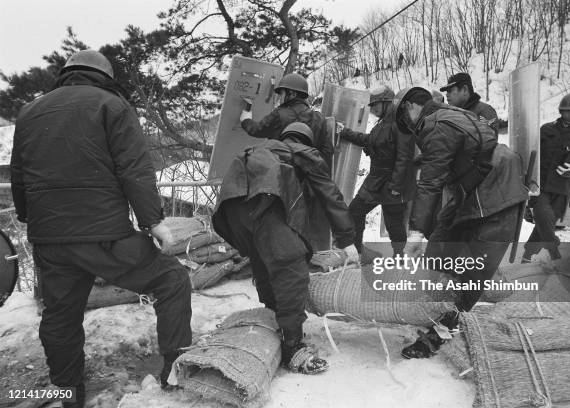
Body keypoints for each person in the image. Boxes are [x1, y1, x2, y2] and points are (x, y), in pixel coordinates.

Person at [10, 50, 193, 406]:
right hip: (104, 234)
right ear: (104, 76)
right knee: (171, 281)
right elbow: (133, 167)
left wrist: (30, 215)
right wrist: (153, 221)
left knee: (60, 316)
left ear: (66, 74)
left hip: (50, 237)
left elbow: (19, 172)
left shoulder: (30, 111)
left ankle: (69, 393)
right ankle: (173, 370)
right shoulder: (111, 104)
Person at [212, 122, 359, 374]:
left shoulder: (262, 148)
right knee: (290, 268)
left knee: (265, 263)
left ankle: (275, 317)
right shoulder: (305, 154)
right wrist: (347, 239)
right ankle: (292, 345)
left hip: (230, 214)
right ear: (307, 140)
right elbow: (330, 195)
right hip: (264, 204)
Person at [394, 87, 527, 358]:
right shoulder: (450, 114)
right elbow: (463, 149)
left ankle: (441, 332)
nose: (409, 128)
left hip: (500, 194)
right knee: (440, 248)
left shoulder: (434, 125)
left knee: (475, 270)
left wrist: (416, 233)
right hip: (474, 191)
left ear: (410, 107)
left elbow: (430, 182)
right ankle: (436, 305)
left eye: (405, 120)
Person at [337, 85, 416, 256]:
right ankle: (359, 252)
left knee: (393, 223)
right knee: (355, 211)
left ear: (387, 103)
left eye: (375, 105)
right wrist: (346, 133)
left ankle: (401, 257)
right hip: (376, 180)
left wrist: (396, 186)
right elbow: (369, 140)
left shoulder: (400, 123)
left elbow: (405, 157)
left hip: (393, 181)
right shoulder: (382, 124)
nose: (372, 110)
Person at [523, 92, 570, 262]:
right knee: (543, 215)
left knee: (544, 226)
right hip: (540, 186)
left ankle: (526, 258)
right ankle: (555, 253)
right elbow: (530, 153)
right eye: (567, 111)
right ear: (560, 110)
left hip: (563, 189)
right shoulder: (546, 129)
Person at [239, 72, 334, 169]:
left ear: (292, 94)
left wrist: (245, 120)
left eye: (281, 94)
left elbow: (257, 130)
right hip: (307, 175)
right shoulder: (319, 118)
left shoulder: (279, 114)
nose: (280, 98)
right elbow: (327, 151)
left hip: (280, 173)